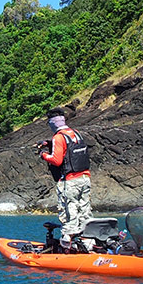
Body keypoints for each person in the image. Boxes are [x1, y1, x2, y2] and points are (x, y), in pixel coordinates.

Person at [39, 107, 93, 252]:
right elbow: (69, 149)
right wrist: (50, 145)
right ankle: (88, 241)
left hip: (70, 181)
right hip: (85, 178)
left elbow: (56, 160)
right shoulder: (76, 133)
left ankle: (67, 244)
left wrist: (43, 154)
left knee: (69, 211)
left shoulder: (58, 137)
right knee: (84, 210)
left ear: (52, 123)